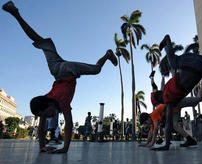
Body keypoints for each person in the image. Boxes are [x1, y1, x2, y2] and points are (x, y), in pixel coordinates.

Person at [2, 1, 118, 153]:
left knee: (96, 69)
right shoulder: (46, 102)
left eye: (47, 113)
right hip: (56, 70)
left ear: (49, 105)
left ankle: (15, 13)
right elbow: (42, 122)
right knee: (42, 43)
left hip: (66, 71)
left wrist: (65, 148)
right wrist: (42, 146)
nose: (49, 116)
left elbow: (69, 124)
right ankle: (15, 12)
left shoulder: (60, 101)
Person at [139, 81, 202, 149]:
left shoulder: (153, 115)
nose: (147, 125)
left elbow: (155, 130)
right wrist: (146, 143)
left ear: (148, 118)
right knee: (175, 125)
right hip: (174, 111)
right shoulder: (151, 121)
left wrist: (151, 143)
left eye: (145, 123)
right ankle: (190, 140)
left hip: (177, 103)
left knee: (198, 99)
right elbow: (151, 133)